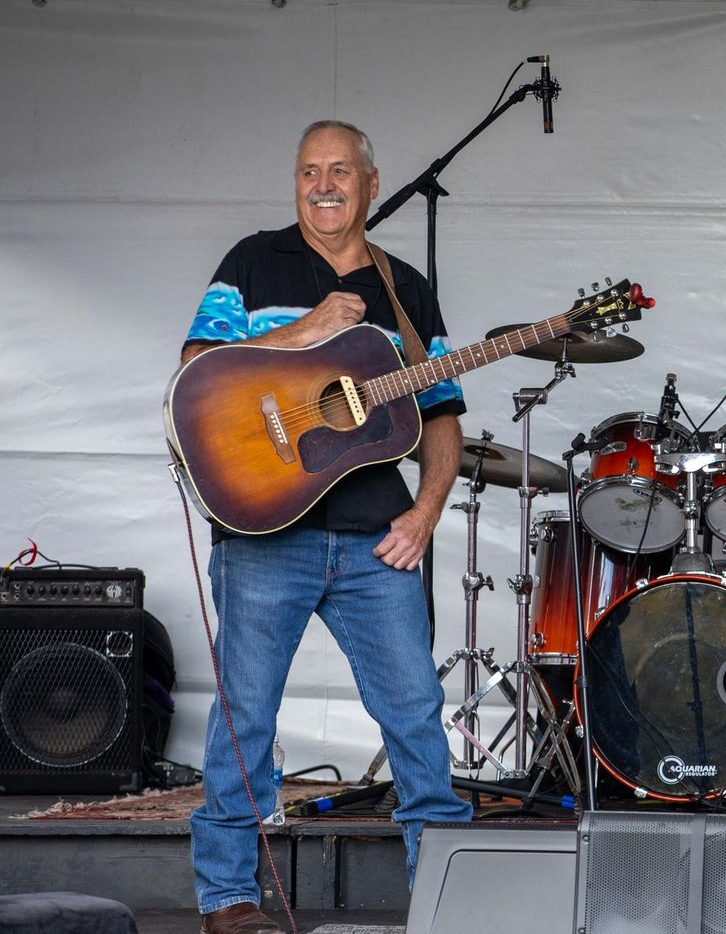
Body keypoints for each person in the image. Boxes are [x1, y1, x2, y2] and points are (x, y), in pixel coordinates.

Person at [181, 120, 472, 934]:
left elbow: (442, 415)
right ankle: (228, 898)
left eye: (340, 170)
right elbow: (197, 372)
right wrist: (301, 333)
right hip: (264, 531)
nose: (323, 185)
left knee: (415, 713)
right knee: (244, 715)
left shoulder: (404, 288)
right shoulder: (252, 262)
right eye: (309, 171)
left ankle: (445, 896)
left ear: (371, 184)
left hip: (376, 536)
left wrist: (425, 512)